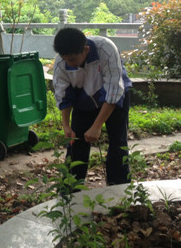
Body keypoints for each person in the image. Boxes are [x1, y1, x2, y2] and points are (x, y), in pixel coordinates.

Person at [52, 27, 132, 186]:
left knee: (118, 143)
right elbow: (64, 95)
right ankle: (70, 189)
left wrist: (97, 126)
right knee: (76, 143)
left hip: (115, 99)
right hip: (83, 101)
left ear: (86, 50)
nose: (69, 64)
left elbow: (113, 92)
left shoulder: (106, 49)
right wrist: (66, 125)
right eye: (65, 59)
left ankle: (120, 189)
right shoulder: (61, 62)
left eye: (72, 60)